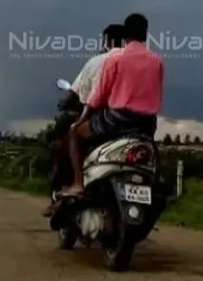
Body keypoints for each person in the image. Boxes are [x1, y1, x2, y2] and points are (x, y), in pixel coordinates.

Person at [61, 13, 163, 197]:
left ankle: (78, 184)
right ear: (145, 34)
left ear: (126, 35)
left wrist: (82, 119)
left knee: (75, 134)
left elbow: (98, 96)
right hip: (147, 123)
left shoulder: (115, 59)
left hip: (117, 120)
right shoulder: (156, 61)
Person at [44, 23, 124, 216]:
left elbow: (80, 96)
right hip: (134, 124)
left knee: (68, 142)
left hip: (101, 124)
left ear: (107, 42)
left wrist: (70, 105)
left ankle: (73, 186)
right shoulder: (139, 62)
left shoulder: (98, 62)